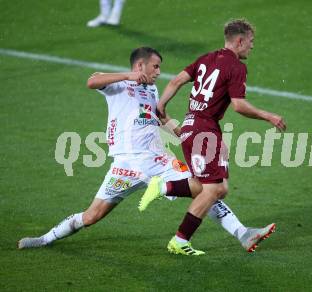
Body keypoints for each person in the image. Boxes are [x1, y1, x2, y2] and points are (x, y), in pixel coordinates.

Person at [17, 47, 273, 253]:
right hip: (124, 166)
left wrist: (201, 139)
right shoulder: (119, 85)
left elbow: (161, 118)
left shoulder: (151, 90)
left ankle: (243, 233)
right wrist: (126, 76)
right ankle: (44, 239)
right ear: (140, 65)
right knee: (92, 216)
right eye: (155, 66)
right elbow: (92, 81)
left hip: (158, 161)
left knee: (208, 189)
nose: (158, 72)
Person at [145, 19, 286, 256]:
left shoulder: (206, 58)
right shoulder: (236, 67)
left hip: (193, 126)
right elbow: (239, 105)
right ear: (239, 41)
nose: (252, 46)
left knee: (211, 187)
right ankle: (179, 239)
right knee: (214, 190)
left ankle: (166, 187)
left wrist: (161, 108)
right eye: (251, 42)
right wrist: (268, 116)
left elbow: (176, 80)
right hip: (204, 130)